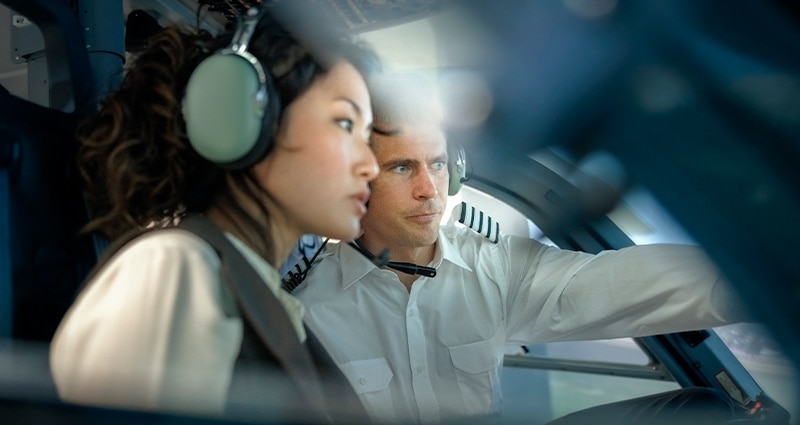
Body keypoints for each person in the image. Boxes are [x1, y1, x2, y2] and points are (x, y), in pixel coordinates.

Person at [291, 72, 747, 424]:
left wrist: (772, 271)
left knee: (698, 407)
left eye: (438, 164)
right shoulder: (305, 305)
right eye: (403, 168)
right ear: (358, 176)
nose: (430, 190)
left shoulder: (495, 266)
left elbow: (652, 285)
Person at [49, 5, 380, 424]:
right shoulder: (172, 270)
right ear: (243, 117)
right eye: (345, 123)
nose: (371, 165)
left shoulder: (254, 288)